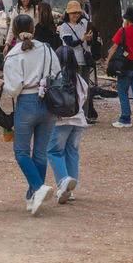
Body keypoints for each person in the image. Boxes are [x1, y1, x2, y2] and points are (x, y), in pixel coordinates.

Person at [0, 14, 57, 215]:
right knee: (40, 153)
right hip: (48, 101)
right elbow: (57, 74)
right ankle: (33, 197)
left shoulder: (13, 54)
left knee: (21, 152)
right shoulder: (47, 49)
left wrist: (4, 85)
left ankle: (38, 188)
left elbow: (13, 89)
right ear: (34, 30)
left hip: (26, 102)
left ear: (14, 32)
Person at [47, 46, 88, 203]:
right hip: (78, 121)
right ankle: (70, 190)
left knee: (54, 152)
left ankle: (63, 181)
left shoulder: (54, 78)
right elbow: (83, 97)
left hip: (60, 122)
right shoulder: (79, 79)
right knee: (72, 153)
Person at [106, 6, 133, 129]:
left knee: (123, 92)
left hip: (126, 66)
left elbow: (114, 47)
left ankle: (125, 118)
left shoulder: (123, 31)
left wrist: (107, 61)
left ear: (128, 20)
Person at [58, 0, 93, 117]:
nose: (76, 15)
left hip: (85, 59)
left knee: (85, 88)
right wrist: (83, 39)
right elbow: (69, 43)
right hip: (72, 60)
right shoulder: (64, 26)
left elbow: (87, 42)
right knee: (73, 88)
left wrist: (88, 40)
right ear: (68, 13)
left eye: (77, 13)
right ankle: (73, 113)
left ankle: (85, 114)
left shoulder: (83, 25)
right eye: (73, 13)